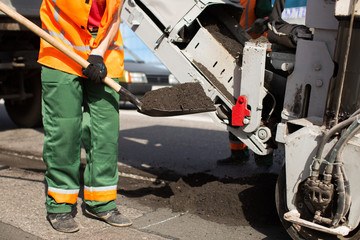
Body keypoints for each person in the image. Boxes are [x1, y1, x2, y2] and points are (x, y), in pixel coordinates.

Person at [38, 0, 132, 233]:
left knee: (105, 132)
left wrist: (98, 55)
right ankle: (60, 205)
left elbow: (115, 17)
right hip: (60, 54)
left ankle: (101, 202)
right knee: (64, 132)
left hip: (103, 59)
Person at [217, 0, 273, 166]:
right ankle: (237, 153)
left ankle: (264, 160)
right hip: (237, 51)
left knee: (258, 109)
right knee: (233, 104)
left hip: (258, 55)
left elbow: (267, 17)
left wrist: (263, 23)